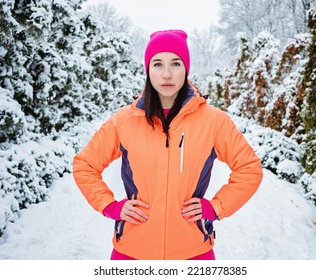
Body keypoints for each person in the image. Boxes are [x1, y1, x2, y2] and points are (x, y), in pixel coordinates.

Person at [73, 29, 263, 260]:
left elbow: (249, 168)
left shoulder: (213, 121)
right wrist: (110, 206)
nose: (166, 74)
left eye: (175, 63)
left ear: (186, 69)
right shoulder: (124, 120)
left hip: (193, 252)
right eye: (157, 64)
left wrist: (215, 207)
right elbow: (85, 165)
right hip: (132, 251)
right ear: (147, 70)